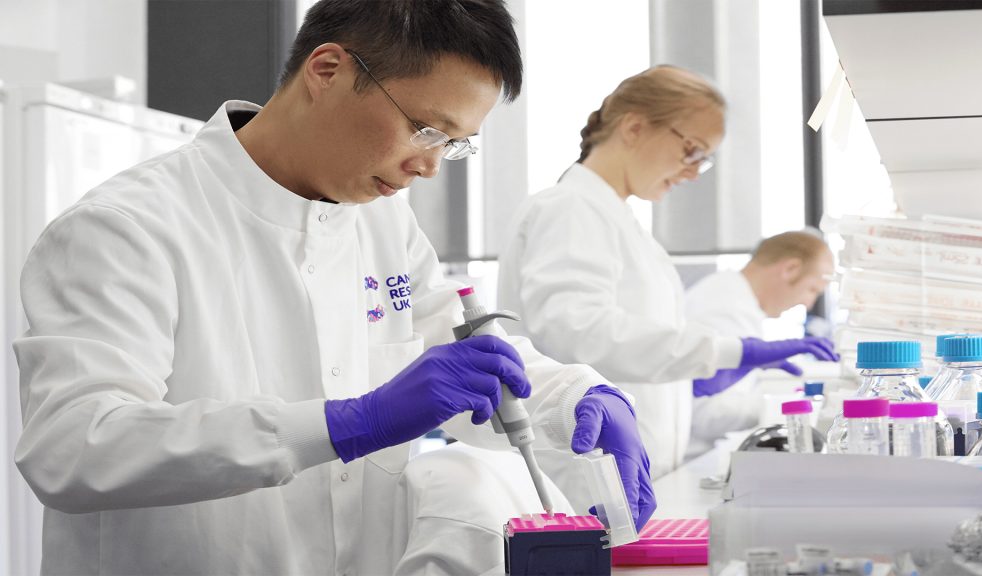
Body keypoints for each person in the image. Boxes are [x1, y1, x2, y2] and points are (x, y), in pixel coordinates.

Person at [13, 2, 654, 574]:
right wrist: (349, 423)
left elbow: (462, 361)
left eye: (455, 144)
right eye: (425, 128)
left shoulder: (382, 222)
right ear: (327, 71)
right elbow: (74, 446)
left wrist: (577, 394)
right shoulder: (128, 226)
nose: (430, 166)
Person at [497, 66, 838, 492]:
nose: (694, 172)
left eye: (703, 160)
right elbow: (578, 331)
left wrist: (695, 378)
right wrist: (723, 351)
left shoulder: (621, 223)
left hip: (628, 473)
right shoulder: (570, 208)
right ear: (635, 127)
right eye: (692, 151)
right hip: (579, 473)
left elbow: (633, 346)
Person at [684, 230, 836, 457]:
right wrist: (794, 406)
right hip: (687, 459)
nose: (808, 303)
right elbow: (706, 416)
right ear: (790, 269)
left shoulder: (732, 297)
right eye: (812, 289)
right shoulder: (727, 309)